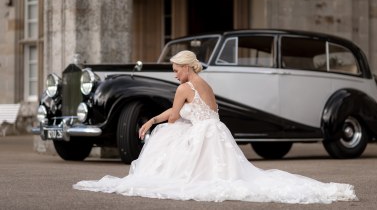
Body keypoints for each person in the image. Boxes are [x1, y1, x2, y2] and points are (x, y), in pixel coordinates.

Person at [73, 50, 357, 204]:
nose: (173, 73)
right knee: (237, 176)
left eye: (175, 69)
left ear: (186, 68)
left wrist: (150, 120)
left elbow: (174, 116)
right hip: (217, 132)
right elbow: (211, 112)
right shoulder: (205, 84)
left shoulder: (184, 87)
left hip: (202, 133)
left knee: (165, 134)